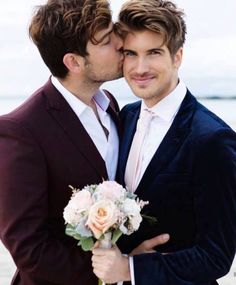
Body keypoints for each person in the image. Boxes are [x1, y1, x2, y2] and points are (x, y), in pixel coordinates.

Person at [91, 0, 236, 284]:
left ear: (177, 56)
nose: (139, 67)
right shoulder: (126, 117)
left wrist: (130, 270)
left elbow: (216, 256)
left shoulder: (213, 140)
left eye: (154, 52)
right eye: (131, 53)